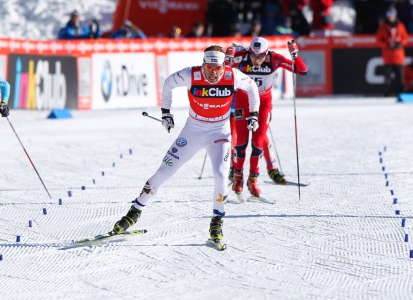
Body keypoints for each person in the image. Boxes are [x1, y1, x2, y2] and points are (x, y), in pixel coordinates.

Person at [111, 46, 260, 245]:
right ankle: (134, 212)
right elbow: (168, 83)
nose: (213, 74)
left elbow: (252, 88)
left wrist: (254, 114)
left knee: (221, 175)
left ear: (223, 65)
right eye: (209, 68)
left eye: (217, 69)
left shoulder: (233, 75)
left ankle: (217, 221)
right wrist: (166, 113)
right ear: (203, 64)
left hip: (220, 132)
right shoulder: (191, 74)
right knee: (164, 171)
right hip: (193, 130)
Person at [227, 37, 308, 197]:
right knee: (241, 143)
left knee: (257, 143)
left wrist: (295, 55)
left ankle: (253, 180)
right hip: (243, 102)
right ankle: (238, 178)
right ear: (249, 52)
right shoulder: (242, 56)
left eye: (260, 57)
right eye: (254, 56)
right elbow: (222, 70)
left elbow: (302, 70)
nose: (257, 60)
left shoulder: (274, 58)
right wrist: (228, 57)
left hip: (263, 104)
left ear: (266, 53)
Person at [377, 7, 408, 96]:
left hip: (398, 56)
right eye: (388, 15)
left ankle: (401, 92)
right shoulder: (383, 27)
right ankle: (388, 92)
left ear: (395, 15)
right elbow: (379, 40)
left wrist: (400, 43)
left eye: (392, 15)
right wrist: (387, 45)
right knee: (387, 77)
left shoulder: (400, 25)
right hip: (388, 56)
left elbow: (405, 38)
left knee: (400, 77)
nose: (390, 17)